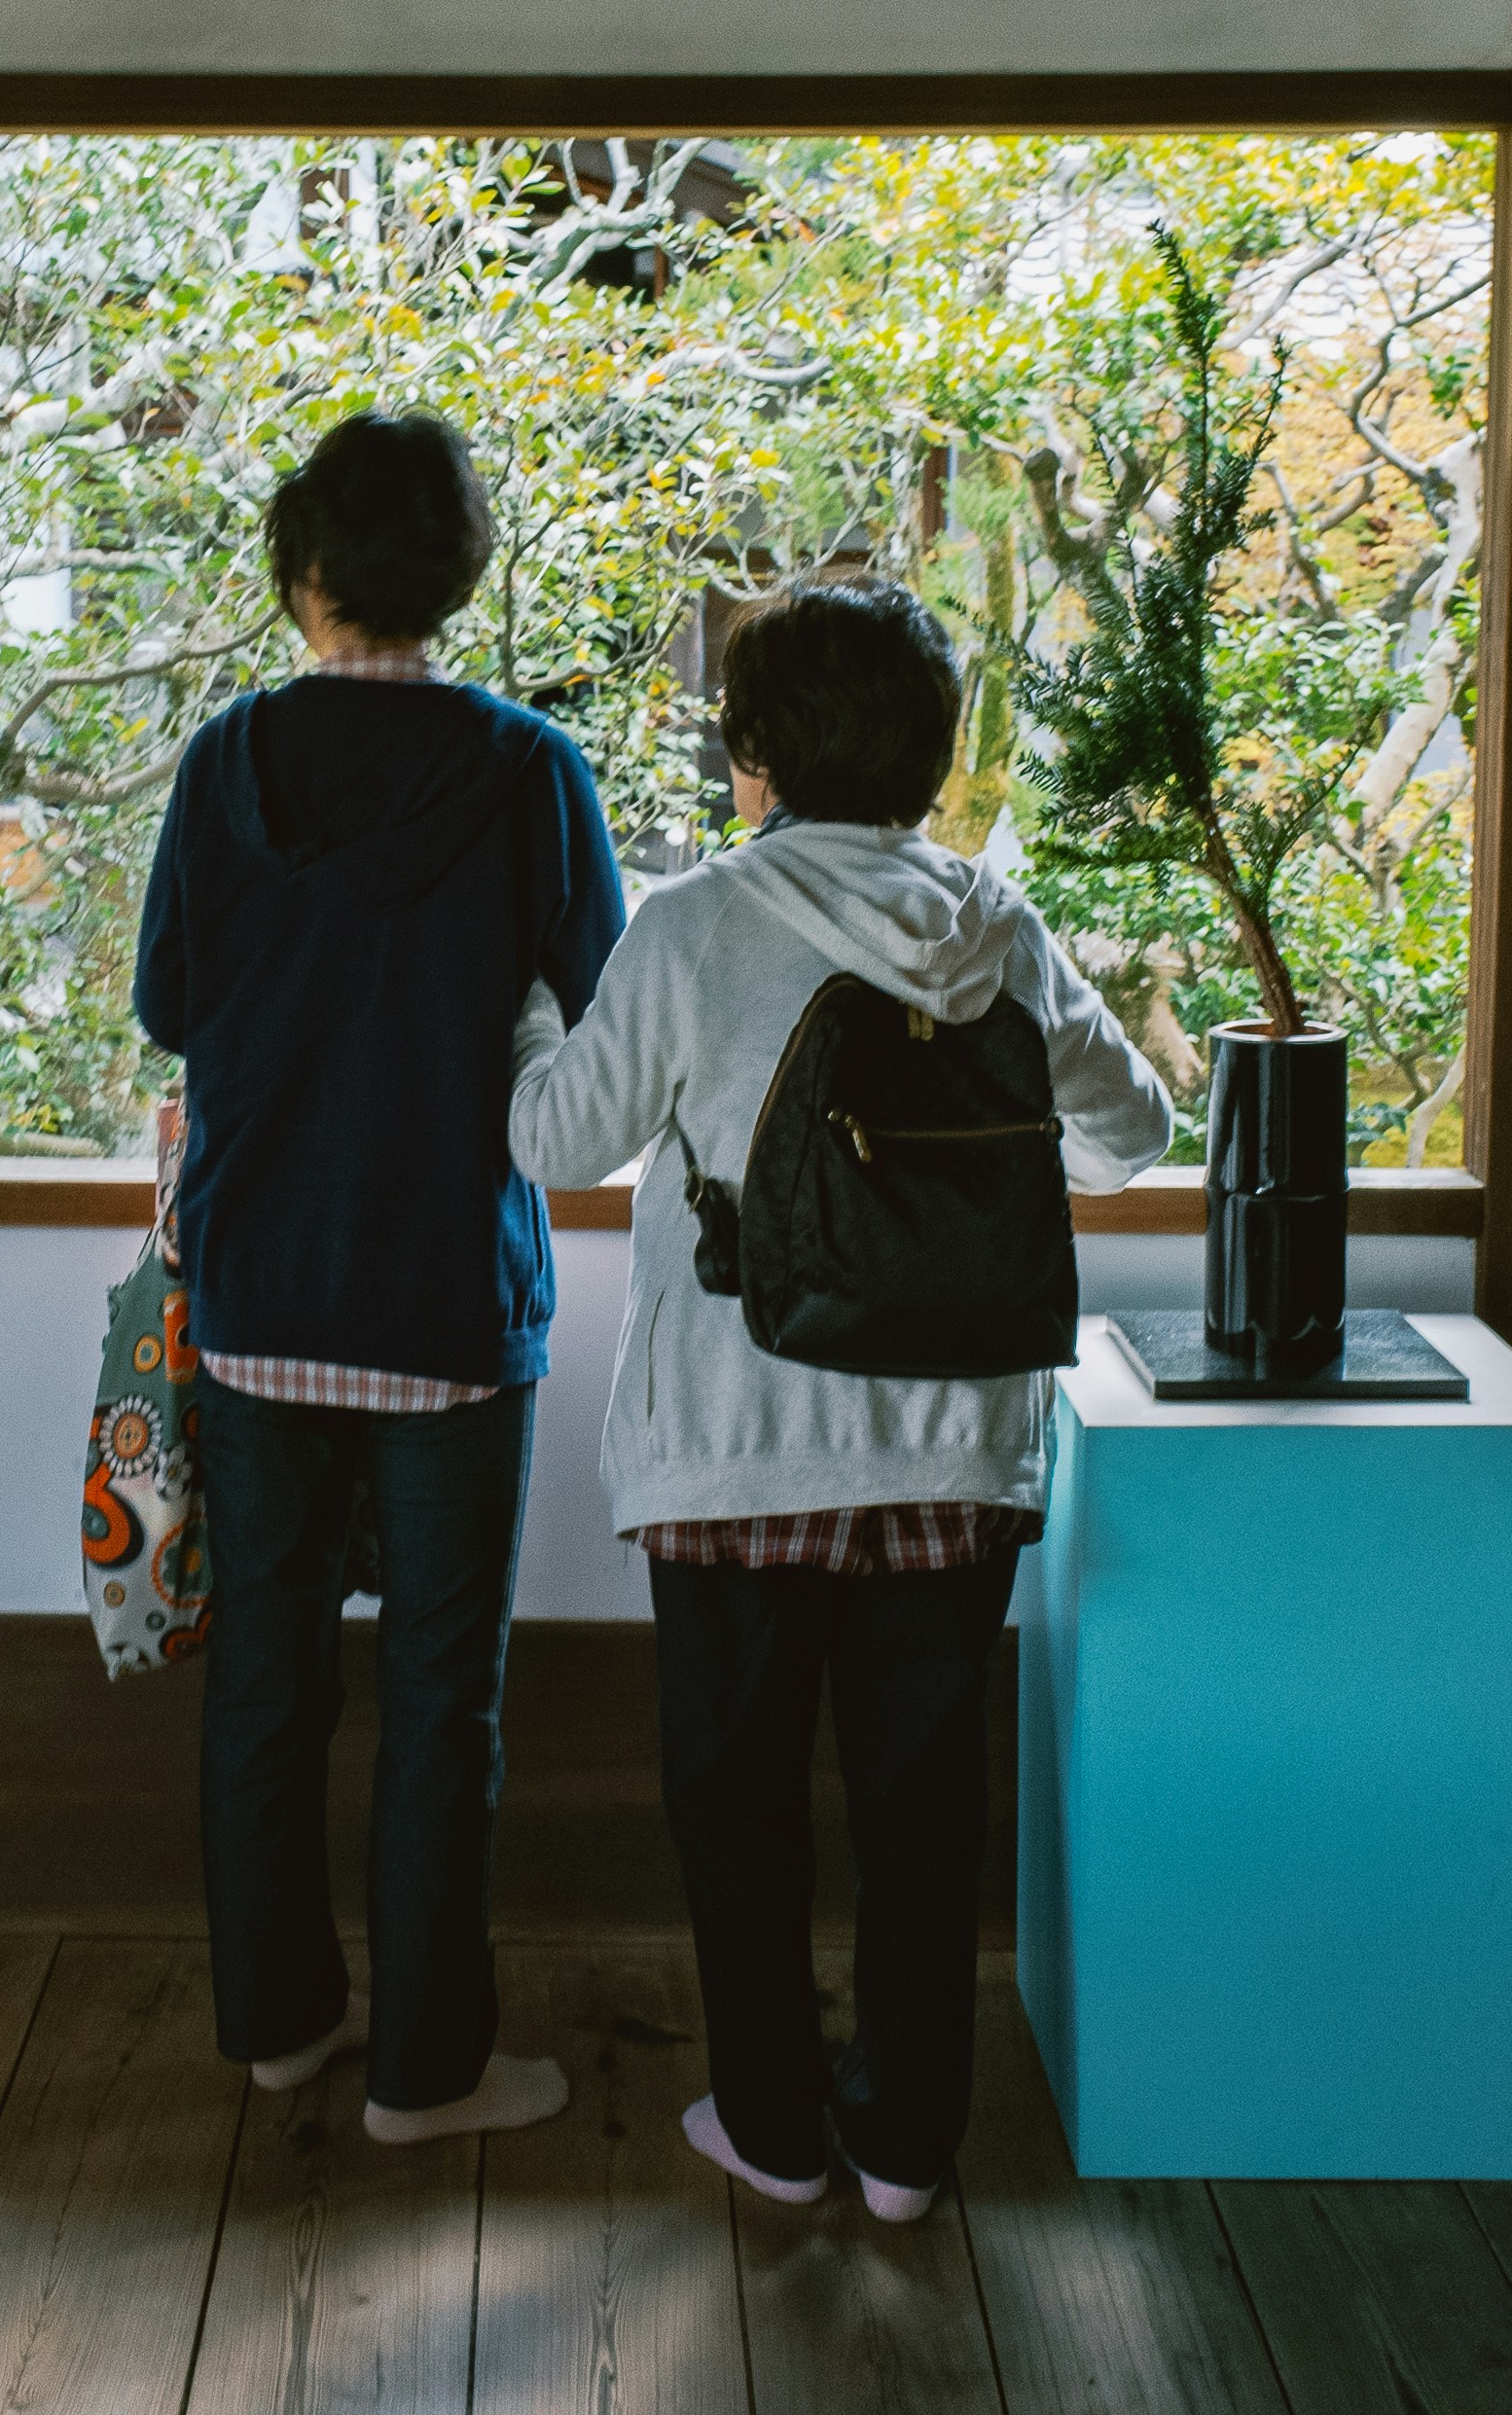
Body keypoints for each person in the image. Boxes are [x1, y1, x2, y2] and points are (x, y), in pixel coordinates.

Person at [509, 580, 1170, 2221]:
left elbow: (550, 1140)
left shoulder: (689, 922)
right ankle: (901, 2144)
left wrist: (530, 1010)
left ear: (754, 754)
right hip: (953, 1448)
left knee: (737, 1803)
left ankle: (772, 2122)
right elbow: (1136, 1127)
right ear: (931, 757)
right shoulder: (996, 927)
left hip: (732, 1446)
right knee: (919, 1804)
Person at [132, 411, 623, 2145]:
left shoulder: (222, 762)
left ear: (302, 573)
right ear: (457, 574)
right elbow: (612, 1008)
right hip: (447, 1300)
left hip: (263, 1291)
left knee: (264, 1675)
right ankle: (426, 2067)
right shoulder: (529, 771)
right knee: (441, 1694)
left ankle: (275, 2025)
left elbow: (168, 1004)